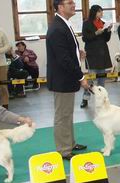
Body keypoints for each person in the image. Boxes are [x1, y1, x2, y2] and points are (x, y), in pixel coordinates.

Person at [46, 0, 90, 160]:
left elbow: (66, 50)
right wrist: (81, 77)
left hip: (65, 78)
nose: (74, 5)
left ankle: (70, 143)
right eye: (69, 2)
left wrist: (78, 54)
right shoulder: (58, 28)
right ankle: (64, 150)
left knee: (68, 114)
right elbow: (63, 59)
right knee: (62, 115)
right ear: (60, 7)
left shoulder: (64, 24)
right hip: (62, 79)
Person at [80, 4, 113, 108]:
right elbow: (85, 38)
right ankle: (85, 99)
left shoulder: (103, 23)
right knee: (90, 78)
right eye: (99, 11)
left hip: (102, 52)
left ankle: (102, 99)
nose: (101, 13)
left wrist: (108, 31)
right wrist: (96, 33)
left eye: (101, 11)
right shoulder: (86, 23)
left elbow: (106, 39)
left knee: (102, 78)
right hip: (92, 53)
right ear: (94, 12)